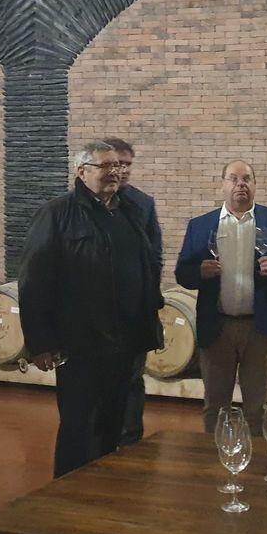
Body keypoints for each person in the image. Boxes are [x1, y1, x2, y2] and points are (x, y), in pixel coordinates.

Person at [19, 140, 163, 478]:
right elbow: (34, 281)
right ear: (82, 172)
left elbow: (148, 268)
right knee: (79, 428)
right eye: (105, 166)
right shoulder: (56, 214)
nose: (115, 172)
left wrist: (149, 323)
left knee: (113, 426)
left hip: (125, 343)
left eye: (118, 165)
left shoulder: (129, 212)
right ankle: (68, 494)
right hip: (80, 345)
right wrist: (40, 342)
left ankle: (102, 491)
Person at [176, 160, 267, 437]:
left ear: (255, 184)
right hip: (217, 327)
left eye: (246, 178)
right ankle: (216, 456)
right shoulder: (200, 225)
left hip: (260, 328)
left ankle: (257, 459)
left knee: (258, 408)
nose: (240, 184)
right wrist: (199, 272)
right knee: (215, 406)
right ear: (222, 185)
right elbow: (182, 273)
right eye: (233, 179)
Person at [105, 137, 162, 447]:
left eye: (128, 165)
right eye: (119, 164)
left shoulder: (143, 204)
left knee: (132, 378)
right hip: (100, 314)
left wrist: (149, 299)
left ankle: (130, 440)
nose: (123, 170)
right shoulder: (80, 205)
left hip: (135, 311)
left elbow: (154, 256)